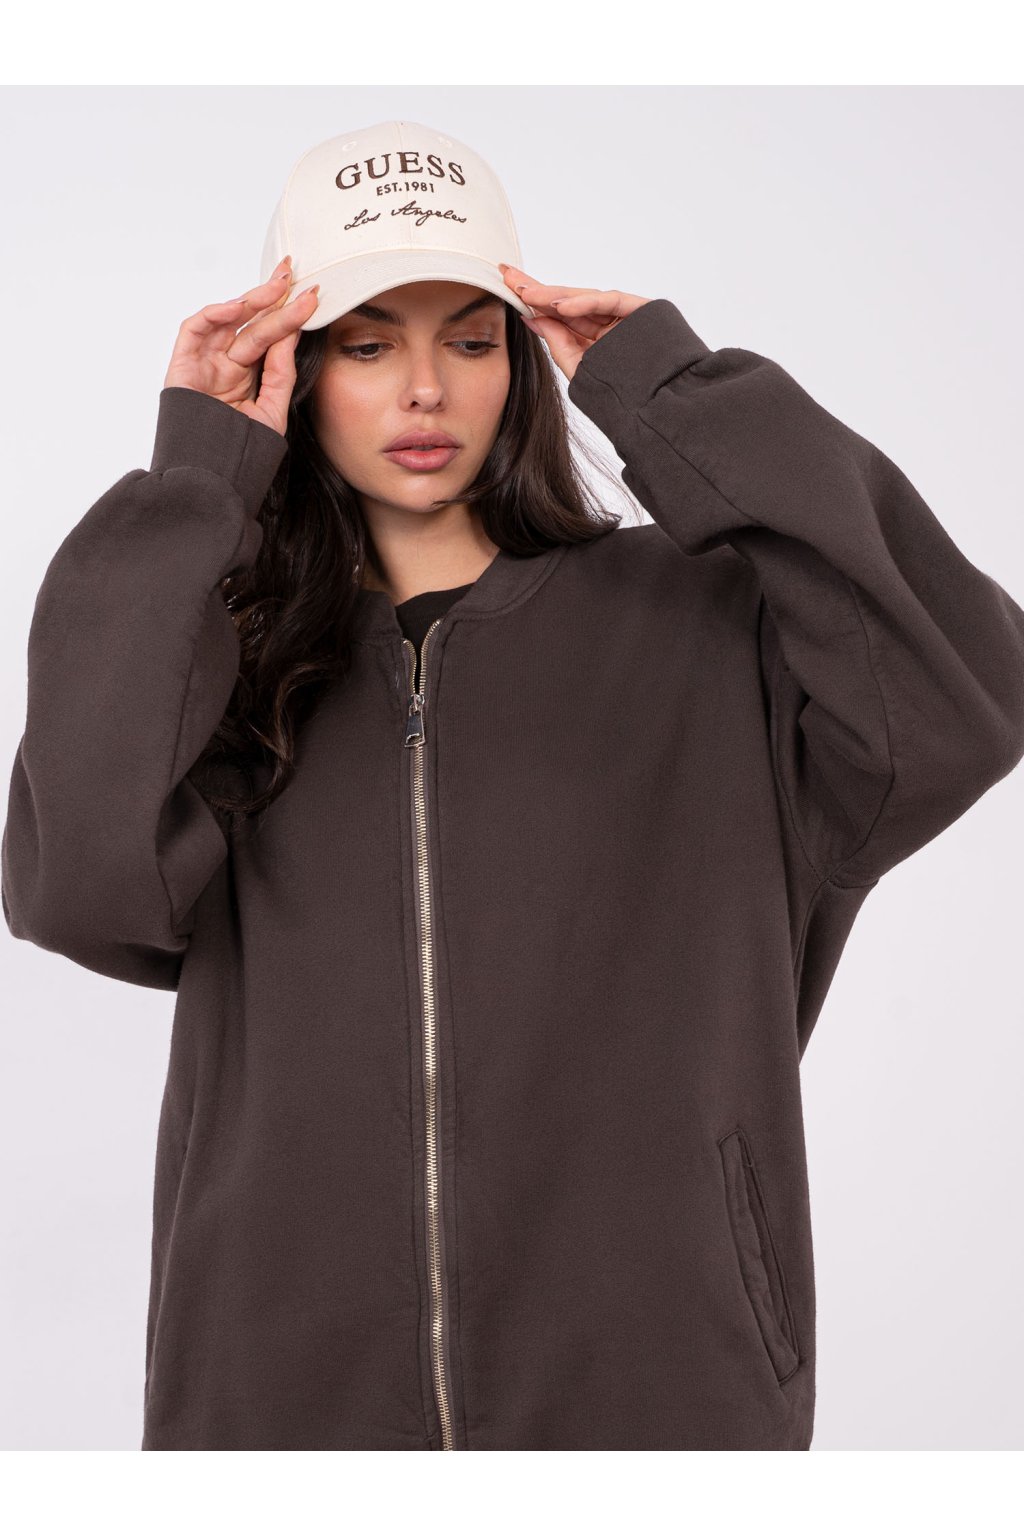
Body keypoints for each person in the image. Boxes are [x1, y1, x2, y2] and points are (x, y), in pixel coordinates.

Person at [3, 119, 1024, 1453]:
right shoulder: (233, 663)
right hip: (276, 1402)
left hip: (659, 1394)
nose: (425, 390)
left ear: (522, 364)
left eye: (471, 340)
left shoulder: (701, 626)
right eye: (368, 345)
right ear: (295, 372)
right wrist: (196, 479)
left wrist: (674, 394)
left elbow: (960, 701)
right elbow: (77, 888)